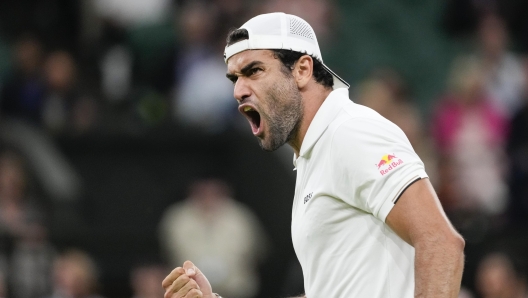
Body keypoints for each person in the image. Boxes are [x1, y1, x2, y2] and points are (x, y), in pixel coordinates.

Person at [162, 12, 465, 298]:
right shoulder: (315, 154)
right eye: (235, 78)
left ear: (303, 70)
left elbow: (440, 241)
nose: (239, 90)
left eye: (254, 70)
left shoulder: (351, 132)